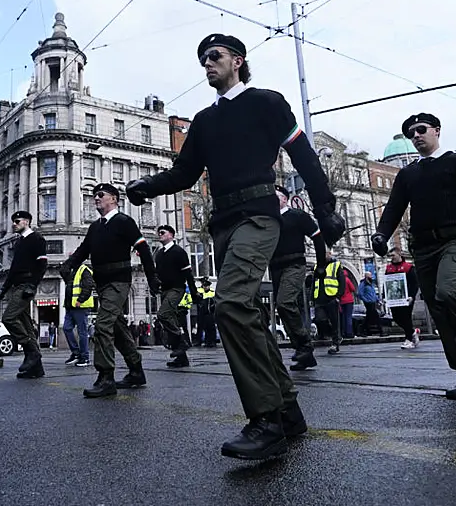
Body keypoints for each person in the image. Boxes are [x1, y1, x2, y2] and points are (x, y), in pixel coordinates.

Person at [126, 33, 345, 459]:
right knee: (244, 313)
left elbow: (304, 158)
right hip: (222, 224)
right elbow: (184, 174)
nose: (207, 64)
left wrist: (326, 209)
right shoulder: (204, 120)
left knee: (229, 304)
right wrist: (144, 187)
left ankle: (265, 420)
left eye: (214, 56)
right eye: (202, 59)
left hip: (259, 216)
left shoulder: (267, 101)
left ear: (238, 61)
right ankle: (288, 410)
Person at [371, 113, 456, 399]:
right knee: (438, 307)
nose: (416, 136)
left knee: (451, 291)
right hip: (423, 247)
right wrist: (381, 234)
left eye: (421, 130)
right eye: (411, 133)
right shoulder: (408, 174)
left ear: (437, 131)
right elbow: (393, 208)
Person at [63, 183, 159, 397]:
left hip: (119, 283)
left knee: (102, 325)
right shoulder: (95, 227)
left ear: (114, 199)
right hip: (102, 283)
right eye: (94, 195)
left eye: (100, 195)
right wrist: (68, 265)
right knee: (117, 329)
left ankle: (106, 376)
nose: (95, 198)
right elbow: (83, 250)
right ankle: (136, 371)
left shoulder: (124, 222)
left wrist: (152, 277)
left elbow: (143, 248)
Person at [270, 185, 326, 370]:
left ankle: (304, 345)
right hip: (275, 267)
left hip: (294, 264)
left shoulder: (297, 216)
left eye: (276, 196)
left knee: (285, 302)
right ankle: (303, 353)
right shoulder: (269, 220)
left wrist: (321, 265)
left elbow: (317, 237)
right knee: (282, 306)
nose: (272, 199)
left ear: (285, 199)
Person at [0, 211, 48, 379]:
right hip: (16, 285)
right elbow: (14, 268)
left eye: (17, 221)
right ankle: (36, 368)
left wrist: (33, 285)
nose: (14, 224)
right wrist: (5, 288)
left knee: (8, 318)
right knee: (27, 327)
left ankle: (31, 352)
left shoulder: (36, 239)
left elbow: (42, 264)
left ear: (27, 222)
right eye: (13, 221)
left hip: (26, 286)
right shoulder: (19, 242)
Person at [153, 224, 201, 369]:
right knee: (171, 320)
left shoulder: (179, 252)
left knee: (163, 314)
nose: (159, 234)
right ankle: (181, 358)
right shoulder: (159, 254)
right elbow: (158, 274)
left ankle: (182, 342)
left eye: (163, 232)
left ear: (171, 235)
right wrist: (155, 287)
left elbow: (188, 273)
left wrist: (193, 292)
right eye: (159, 233)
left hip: (177, 288)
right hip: (165, 290)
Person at [60, 262, 94, 366]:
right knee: (66, 328)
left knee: (82, 332)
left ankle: (85, 358)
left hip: (80, 307)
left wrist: (80, 300)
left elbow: (88, 286)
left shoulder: (84, 269)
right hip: (70, 307)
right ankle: (76, 353)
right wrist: (66, 265)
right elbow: (62, 273)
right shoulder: (72, 271)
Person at [385, 250, 420, 348]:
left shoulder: (408, 268)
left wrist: (412, 296)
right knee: (396, 317)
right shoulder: (389, 268)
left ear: (399, 255)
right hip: (394, 299)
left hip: (406, 298)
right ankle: (413, 332)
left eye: (393, 255)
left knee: (406, 317)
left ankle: (409, 339)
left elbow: (414, 283)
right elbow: (386, 284)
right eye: (390, 255)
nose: (392, 257)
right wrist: (385, 296)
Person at [314, 251, 343, 354]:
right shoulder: (316, 266)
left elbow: (341, 281)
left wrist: (338, 296)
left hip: (331, 297)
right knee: (319, 319)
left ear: (329, 254)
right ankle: (334, 335)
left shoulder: (336, 265)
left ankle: (335, 343)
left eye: (325, 254)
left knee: (334, 321)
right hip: (319, 298)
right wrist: (312, 297)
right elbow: (314, 281)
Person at [358, 272, 383, 337]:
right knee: (376, 315)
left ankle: (363, 330)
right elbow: (360, 293)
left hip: (373, 302)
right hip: (368, 303)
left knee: (369, 317)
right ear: (366, 276)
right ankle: (381, 331)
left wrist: (378, 300)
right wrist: (366, 300)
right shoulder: (363, 284)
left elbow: (373, 293)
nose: (371, 277)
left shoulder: (371, 284)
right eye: (370, 275)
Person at [197, 279, 217, 347]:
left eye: (206, 286)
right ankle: (205, 341)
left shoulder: (212, 292)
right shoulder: (200, 292)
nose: (205, 287)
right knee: (203, 328)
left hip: (210, 313)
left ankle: (212, 341)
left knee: (211, 328)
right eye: (204, 286)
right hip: (202, 313)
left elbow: (214, 302)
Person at [339, 267, 356, 339]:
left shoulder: (338, 280)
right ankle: (349, 332)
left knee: (343, 317)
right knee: (348, 317)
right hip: (349, 301)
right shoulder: (347, 280)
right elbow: (353, 288)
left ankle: (343, 332)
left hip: (341, 301)